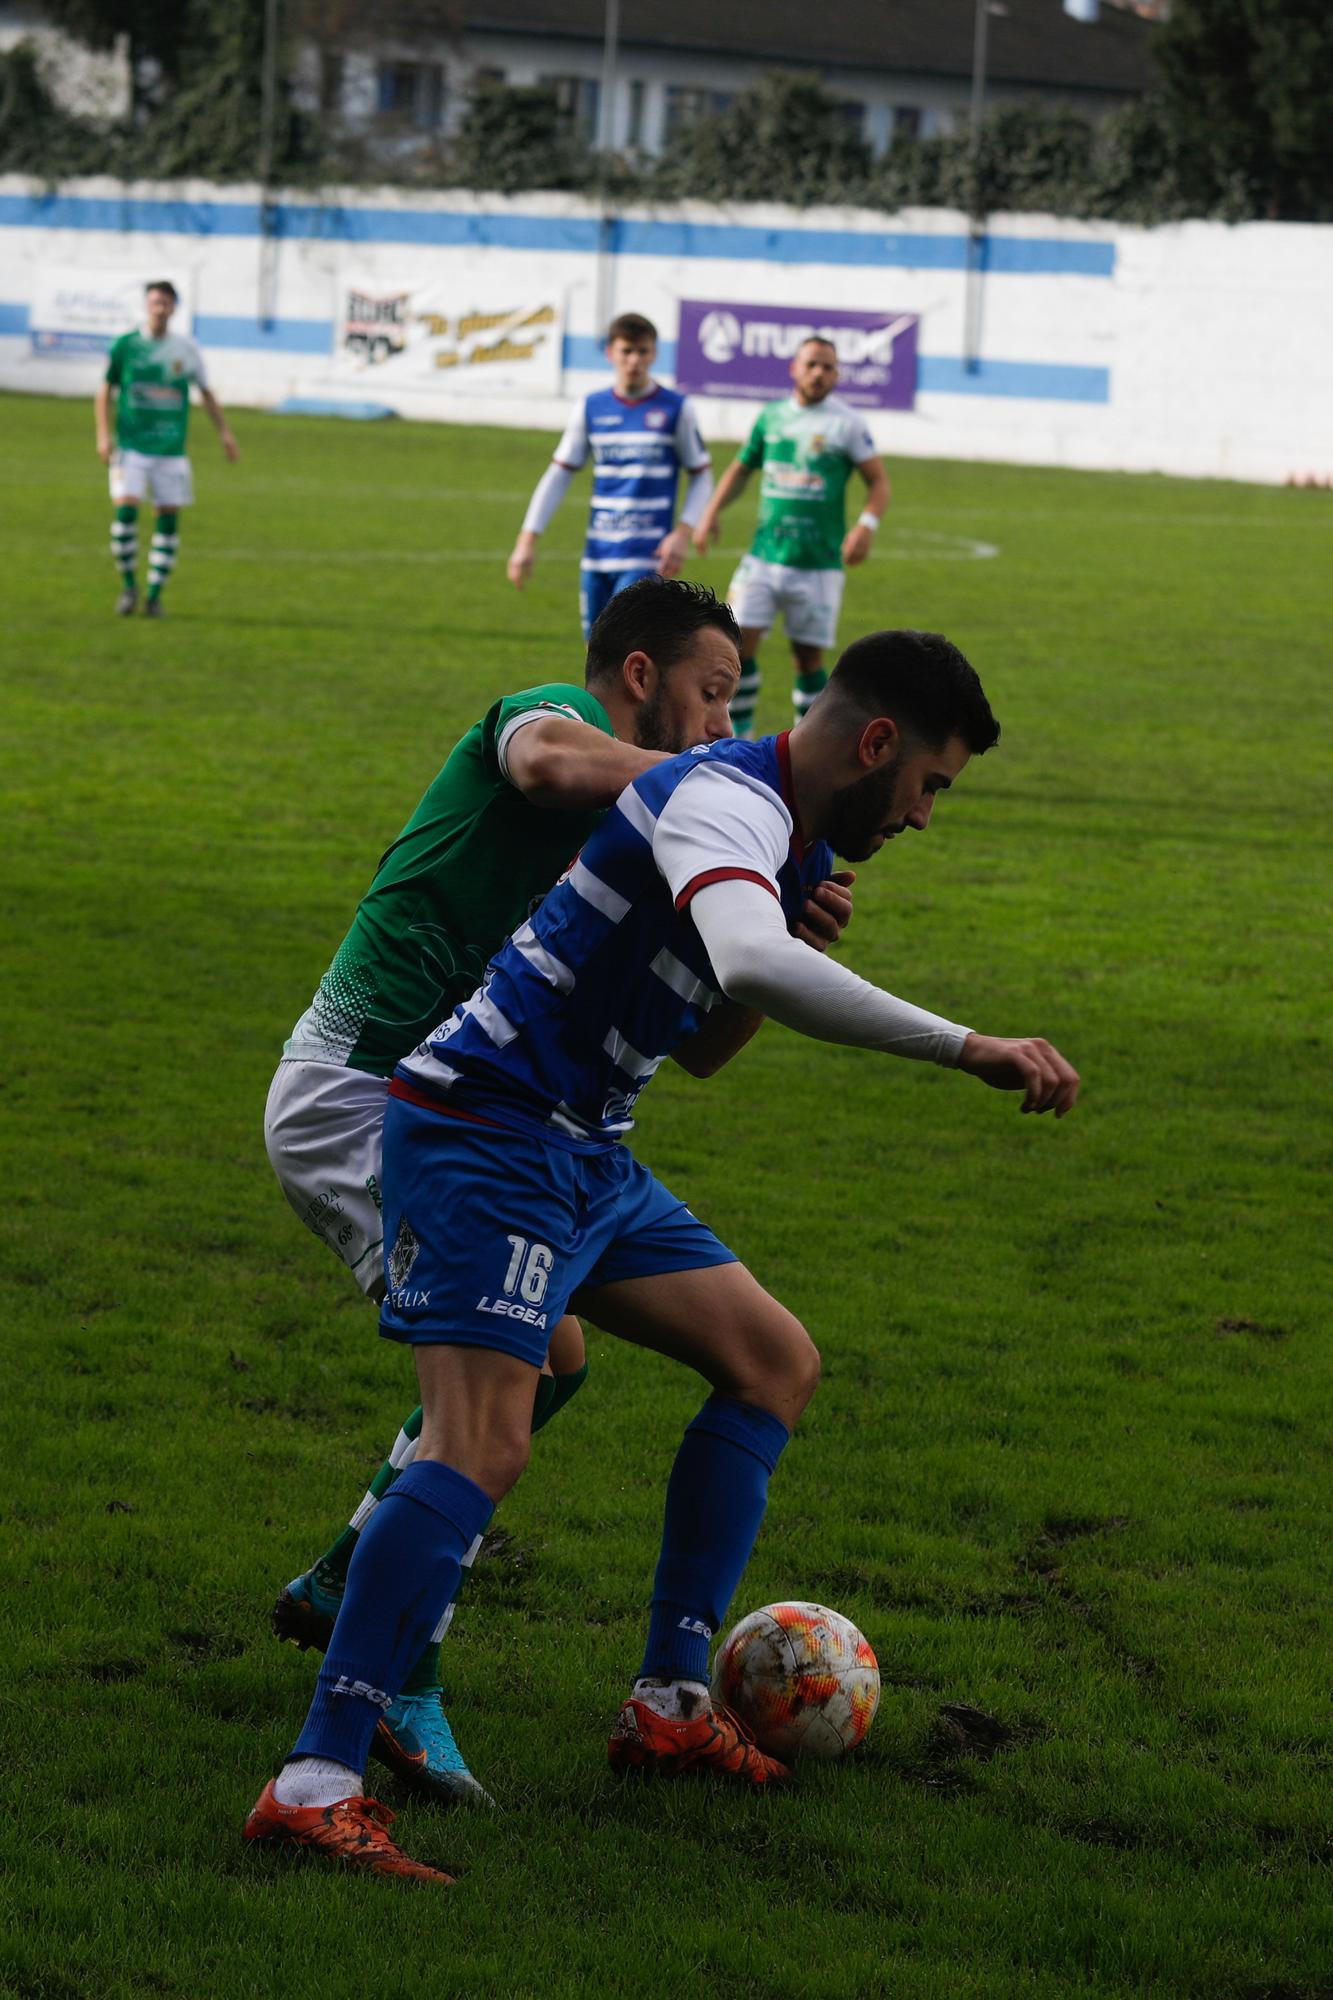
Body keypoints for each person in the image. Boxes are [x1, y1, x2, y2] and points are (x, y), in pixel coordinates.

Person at [244, 627, 1079, 1883]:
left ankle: (670, 1703)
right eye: (930, 784)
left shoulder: (777, 836)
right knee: (484, 1439)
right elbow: (747, 958)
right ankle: (315, 1778)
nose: (922, 815)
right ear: (876, 744)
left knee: (771, 1361)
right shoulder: (721, 797)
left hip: (581, 1148)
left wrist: (791, 922)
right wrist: (968, 1042)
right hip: (484, 1132)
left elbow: (706, 1036)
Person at [262, 577, 852, 1813]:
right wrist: (722, 795)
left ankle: (352, 1589)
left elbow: (702, 1044)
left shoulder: (673, 830)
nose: (716, 724)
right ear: (638, 677)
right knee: (524, 1375)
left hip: (503, 1123)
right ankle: (390, 1684)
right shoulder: (550, 719)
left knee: (595, 1361)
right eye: (707, 694)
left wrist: (781, 923)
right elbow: (537, 766)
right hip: (361, 1094)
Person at [694, 335, 890, 737]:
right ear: (794, 369)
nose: (819, 373)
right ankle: (739, 738)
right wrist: (710, 512)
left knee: (807, 660)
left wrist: (866, 526)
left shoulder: (847, 424)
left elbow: (879, 483)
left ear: (837, 374)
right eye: (812, 364)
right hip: (763, 559)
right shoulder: (771, 418)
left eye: (828, 367)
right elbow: (741, 468)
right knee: (736, 650)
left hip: (817, 565)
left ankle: (806, 744)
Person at [507, 312, 714, 638]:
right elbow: (559, 475)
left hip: (647, 556)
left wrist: (683, 532)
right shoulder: (591, 407)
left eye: (643, 351)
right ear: (610, 353)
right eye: (626, 351)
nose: (634, 360)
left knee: (628, 653)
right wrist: (527, 540)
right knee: (597, 658)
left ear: (654, 354)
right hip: (598, 556)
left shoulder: (676, 408)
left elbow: (702, 475)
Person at [93, 280, 238, 618]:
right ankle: (129, 586)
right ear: (146, 305)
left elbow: (206, 392)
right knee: (125, 515)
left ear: (174, 308)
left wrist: (225, 434)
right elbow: (105, 391)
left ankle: (155, 596)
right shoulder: (126, 346)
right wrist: (103, 436)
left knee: (168, 522)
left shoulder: (185, 349)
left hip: (171, 451)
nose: (160, 308)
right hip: (131, 447)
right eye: (155, 302)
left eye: (166, 303)